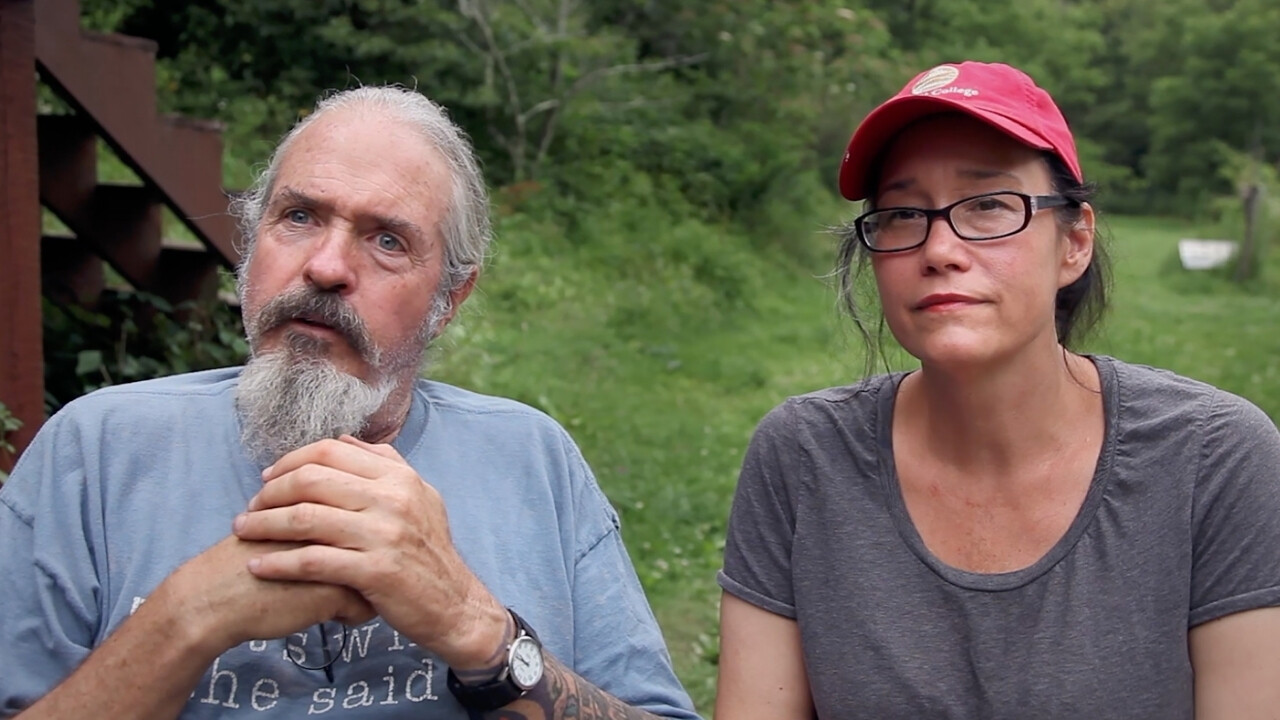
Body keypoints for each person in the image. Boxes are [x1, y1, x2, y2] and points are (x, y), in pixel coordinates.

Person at [0, 86, 699, 720]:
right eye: (299, 217)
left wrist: (474, 626)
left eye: (387, 240)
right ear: (251, 244)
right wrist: (186, 618)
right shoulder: (97, 450)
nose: (326, 267)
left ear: (450, 299)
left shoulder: (532, 461)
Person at [715, 61, 1280, 719]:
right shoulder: (803, 457)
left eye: (987, 205)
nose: (939, 249)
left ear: (1074, 242)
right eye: (902, 213)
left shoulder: (1214, 459)